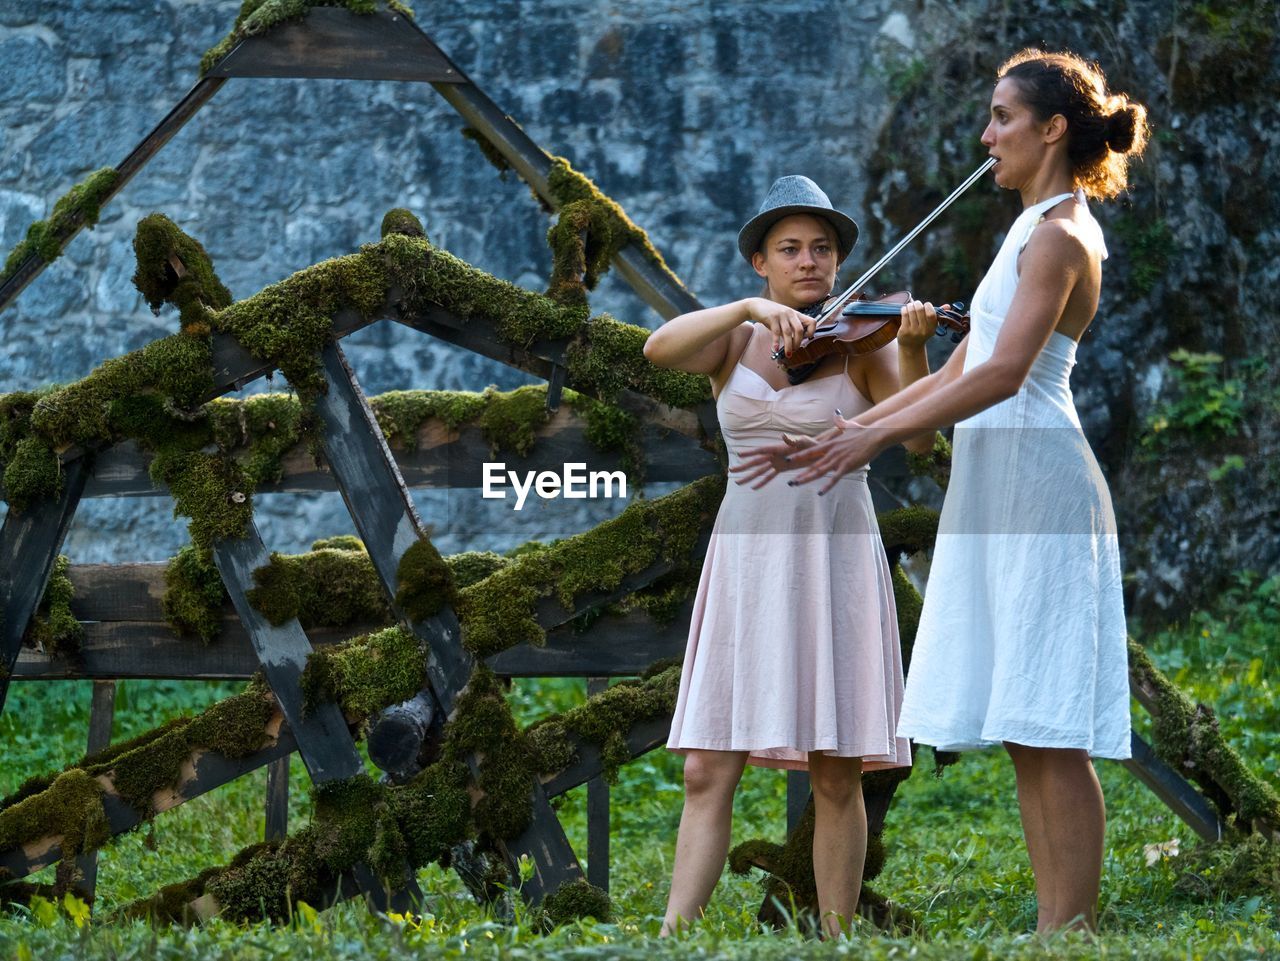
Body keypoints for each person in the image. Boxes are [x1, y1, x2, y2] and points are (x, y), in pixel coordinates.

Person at [734, 50, 1149, 933]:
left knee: (1051, 722)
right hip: (997, 482)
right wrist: (857, 431)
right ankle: (1053, 924)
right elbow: (958, 363)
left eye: (1002, 117)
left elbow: (1001, 373)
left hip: (1039, 481)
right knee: (1027, 722)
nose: (987, 134)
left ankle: (1067, 928)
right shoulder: (1027, 228)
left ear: (1052, 129)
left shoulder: (1063, 234)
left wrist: (875, 431)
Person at [643, 175, 934, 938]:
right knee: (708, 765)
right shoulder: (733, 340)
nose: (809, 261)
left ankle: (833, 938)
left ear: (839, 263)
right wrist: (747, 311)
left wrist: (913, 344)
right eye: (790, 249)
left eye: (823, 248)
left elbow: (921, 437)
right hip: (745, 565)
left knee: (834, 771)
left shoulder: (860, 348)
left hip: (830, 561)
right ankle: (674, 938)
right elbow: (655, 347)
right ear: (760, 263)